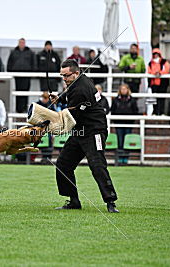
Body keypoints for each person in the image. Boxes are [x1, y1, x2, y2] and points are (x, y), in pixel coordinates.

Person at [50, 59, 118, 212]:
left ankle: (110, 201)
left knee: (97, 165)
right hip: (80, 130)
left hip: (94, 130)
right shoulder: (78, 82)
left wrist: (51, 124)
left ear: (76, 73)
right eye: (62, 76)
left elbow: (71, 116)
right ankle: (74, 201)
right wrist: (60, 98)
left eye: (66, 76)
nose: (64, 79)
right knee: (63, 164)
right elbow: (70, 97)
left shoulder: (81, 89)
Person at [110, 84, 139, 164]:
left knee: (127, 141)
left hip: (128, 123)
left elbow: (135, 111)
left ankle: (126, 158)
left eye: (125, 89)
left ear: (128, 90)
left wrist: (131, 120)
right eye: (122, 89)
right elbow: (113, 111)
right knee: (120, 140)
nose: (123, 90)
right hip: (119, 123)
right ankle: (120, 158)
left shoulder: (132, 100)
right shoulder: (116, 100)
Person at [7, 38, 36, 113]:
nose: (22, 44)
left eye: (23, 42)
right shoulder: (13, 52)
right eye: (20, 42)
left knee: (25, 92)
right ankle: (18, 109)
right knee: (17, 92)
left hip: (26, 75)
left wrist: (33, 72)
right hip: (17, 76)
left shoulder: (30, 52)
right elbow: (9, 63)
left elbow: (34, 63)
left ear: (25, 43)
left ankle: (25, 108)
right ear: (18, 43)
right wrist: (9, 72)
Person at [147, 48, 170, 115]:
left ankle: (161, 112)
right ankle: (155, 112)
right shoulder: (150, 63)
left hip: (163, 83)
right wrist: (155, 73)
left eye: (157, 54)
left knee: (162, 98)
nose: (156, 56)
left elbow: (167, 69)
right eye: (154, 54)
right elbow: (149, 71)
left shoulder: (164, 62)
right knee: (154, 99)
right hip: (154, 83)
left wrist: (160, 73)